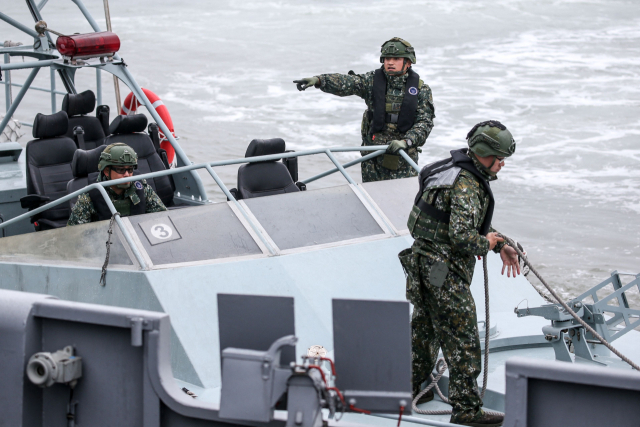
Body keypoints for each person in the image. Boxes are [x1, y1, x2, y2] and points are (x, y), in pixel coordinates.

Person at [398, 120, 520, 427]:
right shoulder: (467, 184)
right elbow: (465, 237)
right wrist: (490, 242)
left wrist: (499, 243)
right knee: (462, 335)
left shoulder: (446, 169)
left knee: (425, 326)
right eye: (500, 158)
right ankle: (466, 408)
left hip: (424, 263)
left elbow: (449, 219)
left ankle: (410, 388)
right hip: (443, 269)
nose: (502, 164)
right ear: (483, 153)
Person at [293, 37, 435, 182]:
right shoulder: (372, 81)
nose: (390, 62)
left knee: (399, 201)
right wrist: (319, 80)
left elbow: (425, 123)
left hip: (402, 159)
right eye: (386, 58)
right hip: (372, 158)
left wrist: (407, 141)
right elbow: (348, 82)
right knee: (370, 199)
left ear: (408, 62)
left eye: (396, 58)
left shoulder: (421, 90)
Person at [67, 143, 167, 226]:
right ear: (106, 171)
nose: (127, 174)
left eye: (130, 169)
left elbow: (163, 217)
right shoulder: (90, 194)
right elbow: (75, 235)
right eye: (120, 170)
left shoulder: (140, 186)